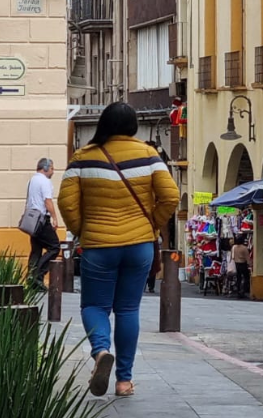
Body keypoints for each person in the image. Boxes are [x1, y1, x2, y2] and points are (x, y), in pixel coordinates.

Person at [58, 102, 178, 398]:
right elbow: (170, 197)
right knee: (128, 309)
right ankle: (124, 381)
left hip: (99, 246)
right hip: (139, 246)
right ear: (133, 126)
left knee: (94, 306)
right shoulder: (149, 155)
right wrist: (151, 224)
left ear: (103, 124)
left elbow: (66, 203)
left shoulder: (82, 158)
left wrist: (83, 230)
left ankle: (101, 351)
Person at [25, 158, 60, 290]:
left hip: (32, 219)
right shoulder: (45, 181)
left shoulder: (32, 180)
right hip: (41, 219)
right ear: (45, 168)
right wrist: (54, 218)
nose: (53, 171)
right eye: (51, 168)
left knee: (36, 249)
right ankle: (38, 276)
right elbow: (47, 201)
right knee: (54, 247)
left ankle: (31, 278)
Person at [231, 235, 252, 299]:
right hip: (243, 264)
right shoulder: (244, 248)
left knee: (238, 278)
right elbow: (247, 257)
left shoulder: (234, 247)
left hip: (236, 264)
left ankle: (238, 292)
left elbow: (232, 256)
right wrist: (250, 264)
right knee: (246, 278)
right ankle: (243, 291)